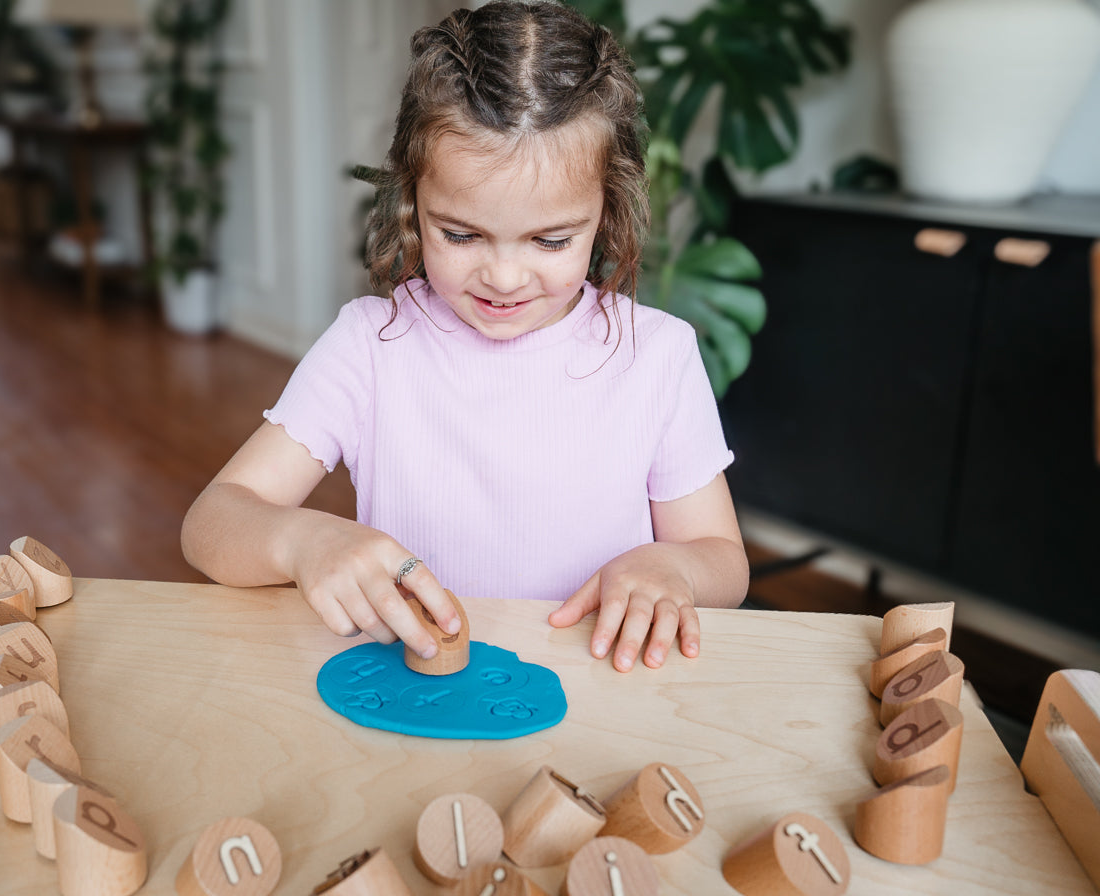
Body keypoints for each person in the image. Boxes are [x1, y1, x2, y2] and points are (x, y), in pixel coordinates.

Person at [181, 0, 749, 673]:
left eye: (551, 240)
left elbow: (724, 561)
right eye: (461, 234)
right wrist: (300, 540)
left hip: (601, 694)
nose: (504, 277)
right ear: (411, 201)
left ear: (608, 212)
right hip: (415, 692)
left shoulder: (658, 356)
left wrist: (674, 566)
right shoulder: (370, 345)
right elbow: (212, 522)